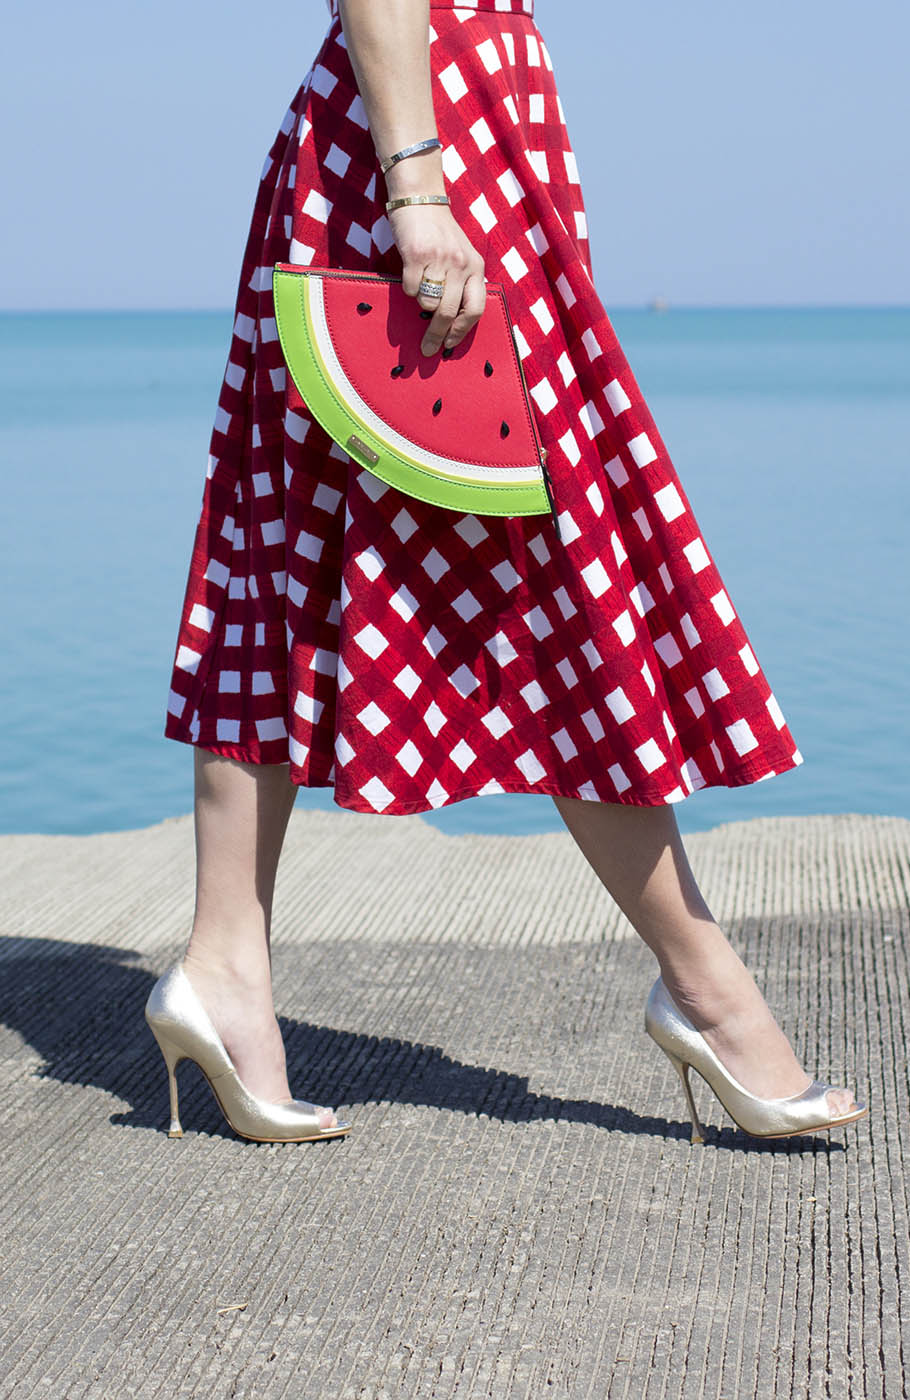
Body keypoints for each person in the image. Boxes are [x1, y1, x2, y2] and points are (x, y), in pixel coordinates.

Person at [147, 0, 866, 1144]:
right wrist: (419, 186)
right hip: (423, 150)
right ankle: (706, 986)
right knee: (554, 574)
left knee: (288, 549)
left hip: (456, 136)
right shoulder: (421, 165)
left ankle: (222, 968)